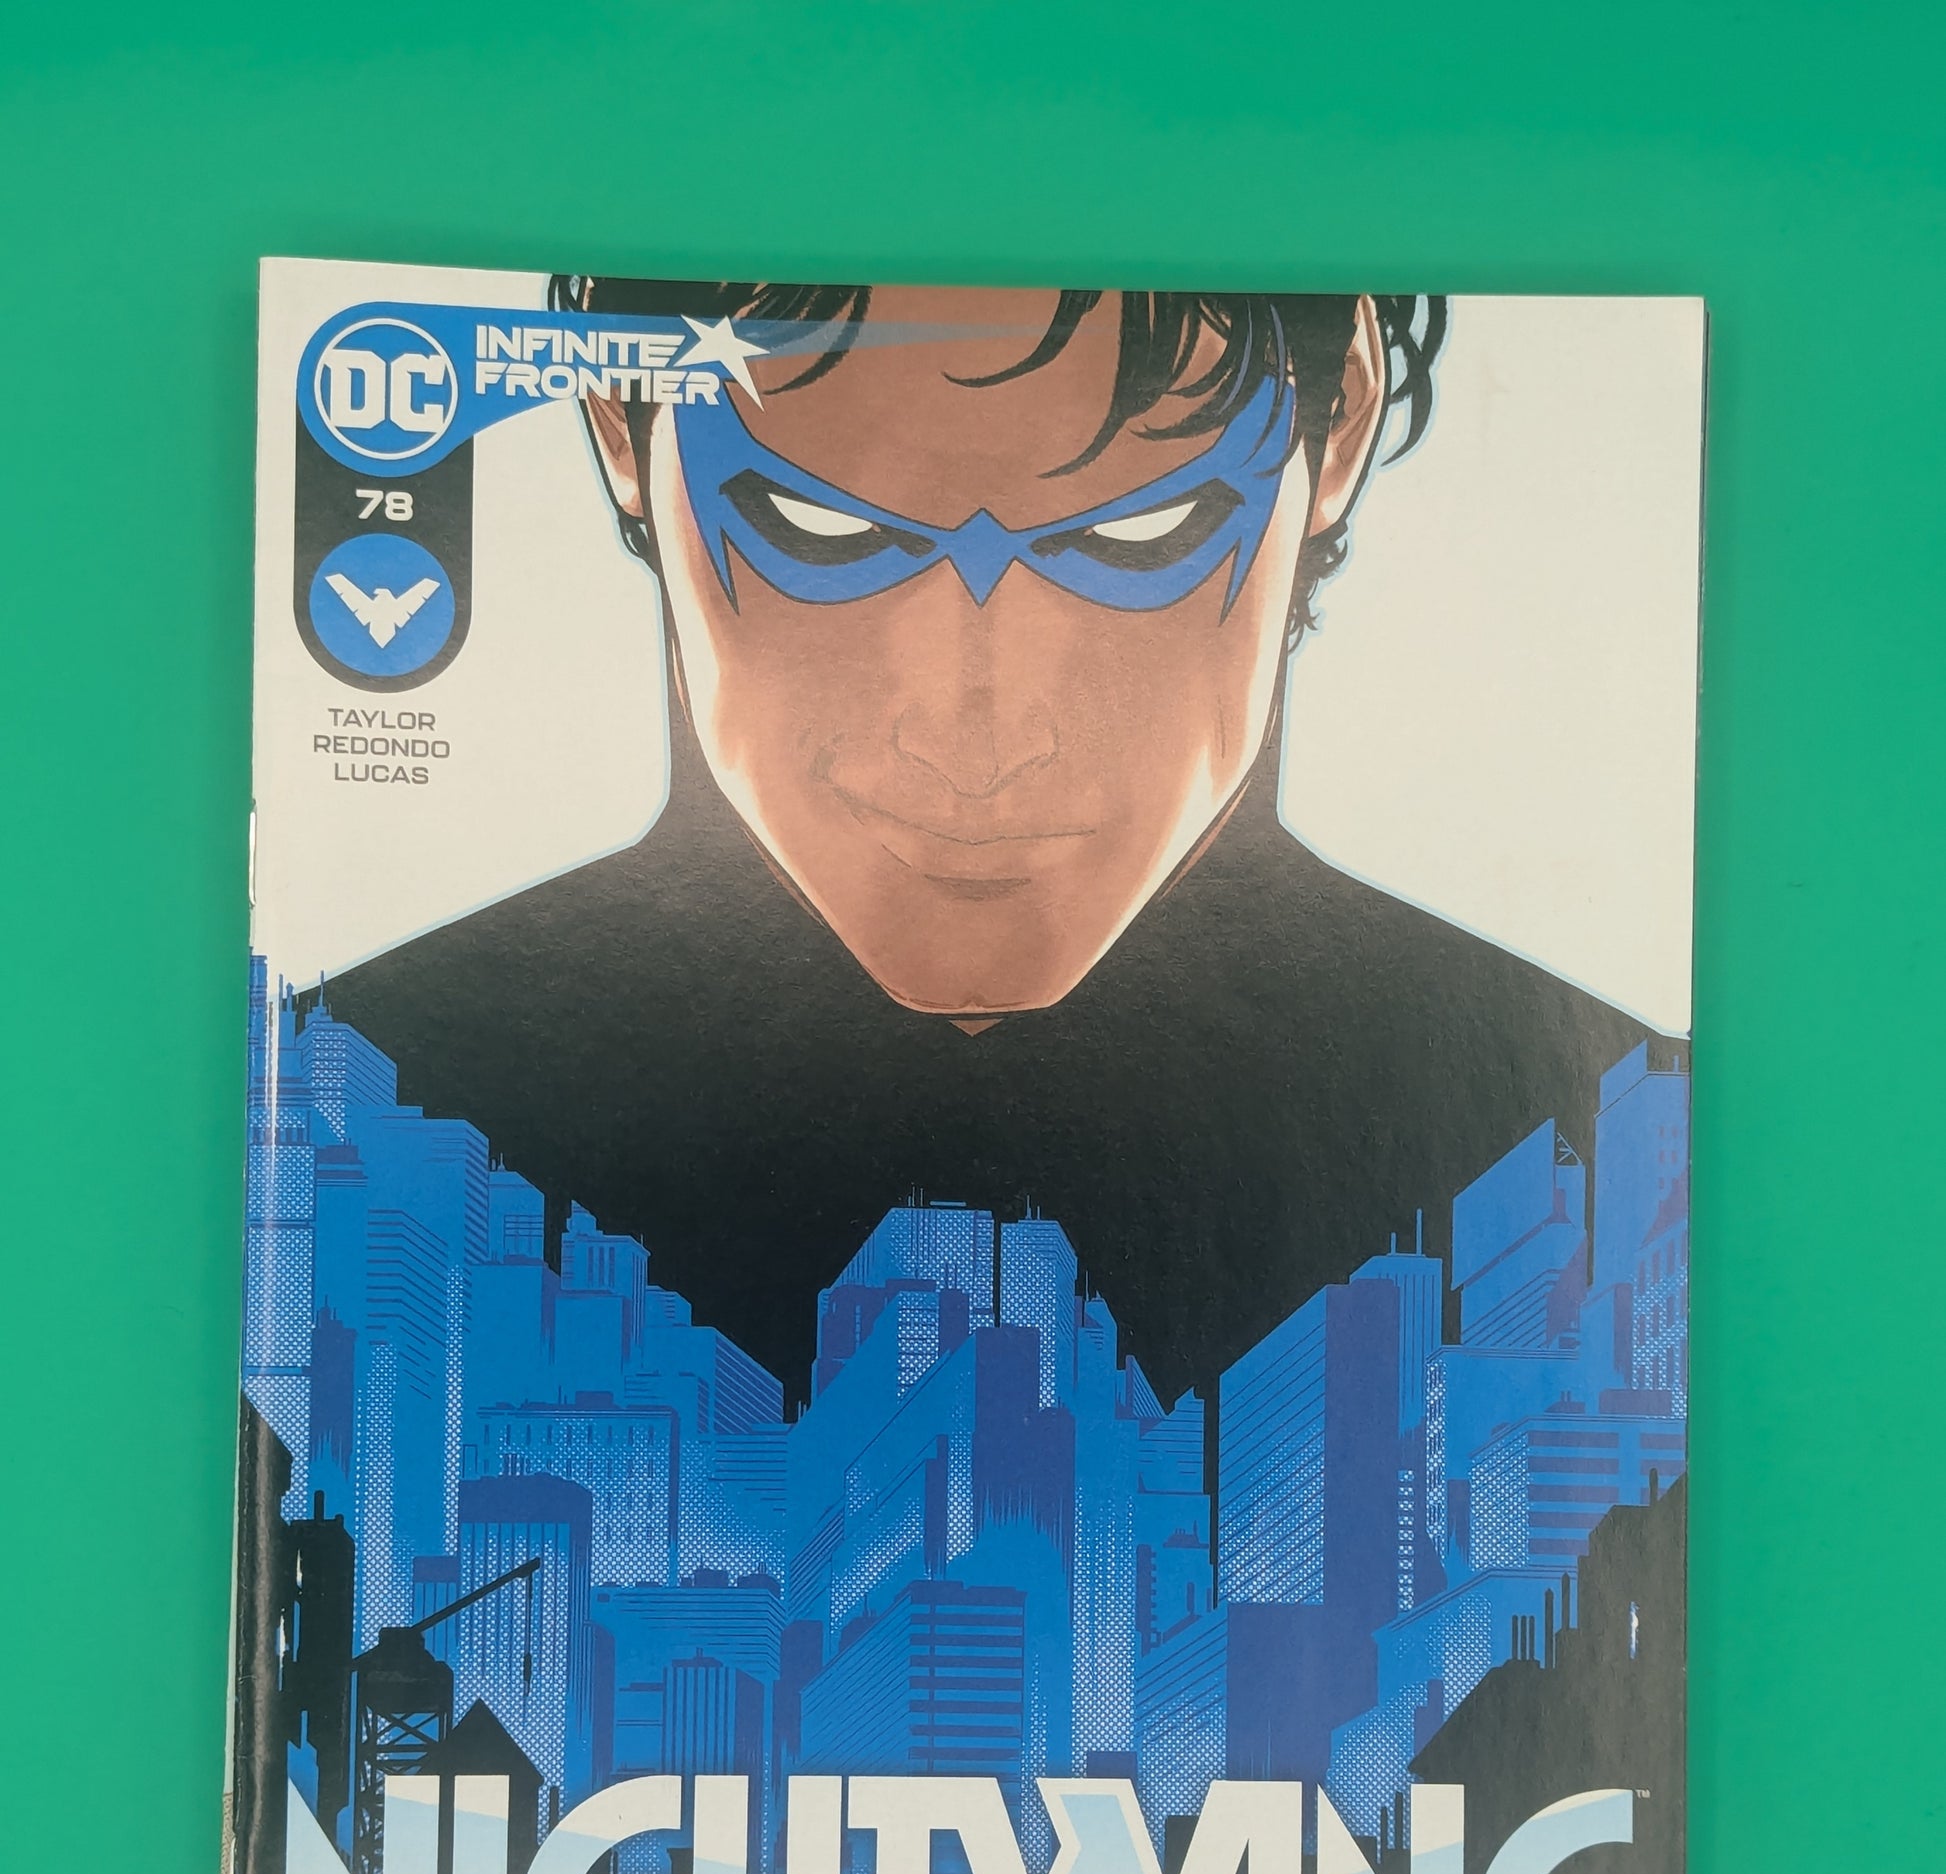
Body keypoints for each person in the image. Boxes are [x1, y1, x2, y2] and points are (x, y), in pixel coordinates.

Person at [328, 280, 1643, 1405]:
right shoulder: (342, 1133)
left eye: (1135, 533)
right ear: (620, 417)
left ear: (1338, 417)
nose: (977, 735)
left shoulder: (1612, 1173)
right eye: (825, 530)